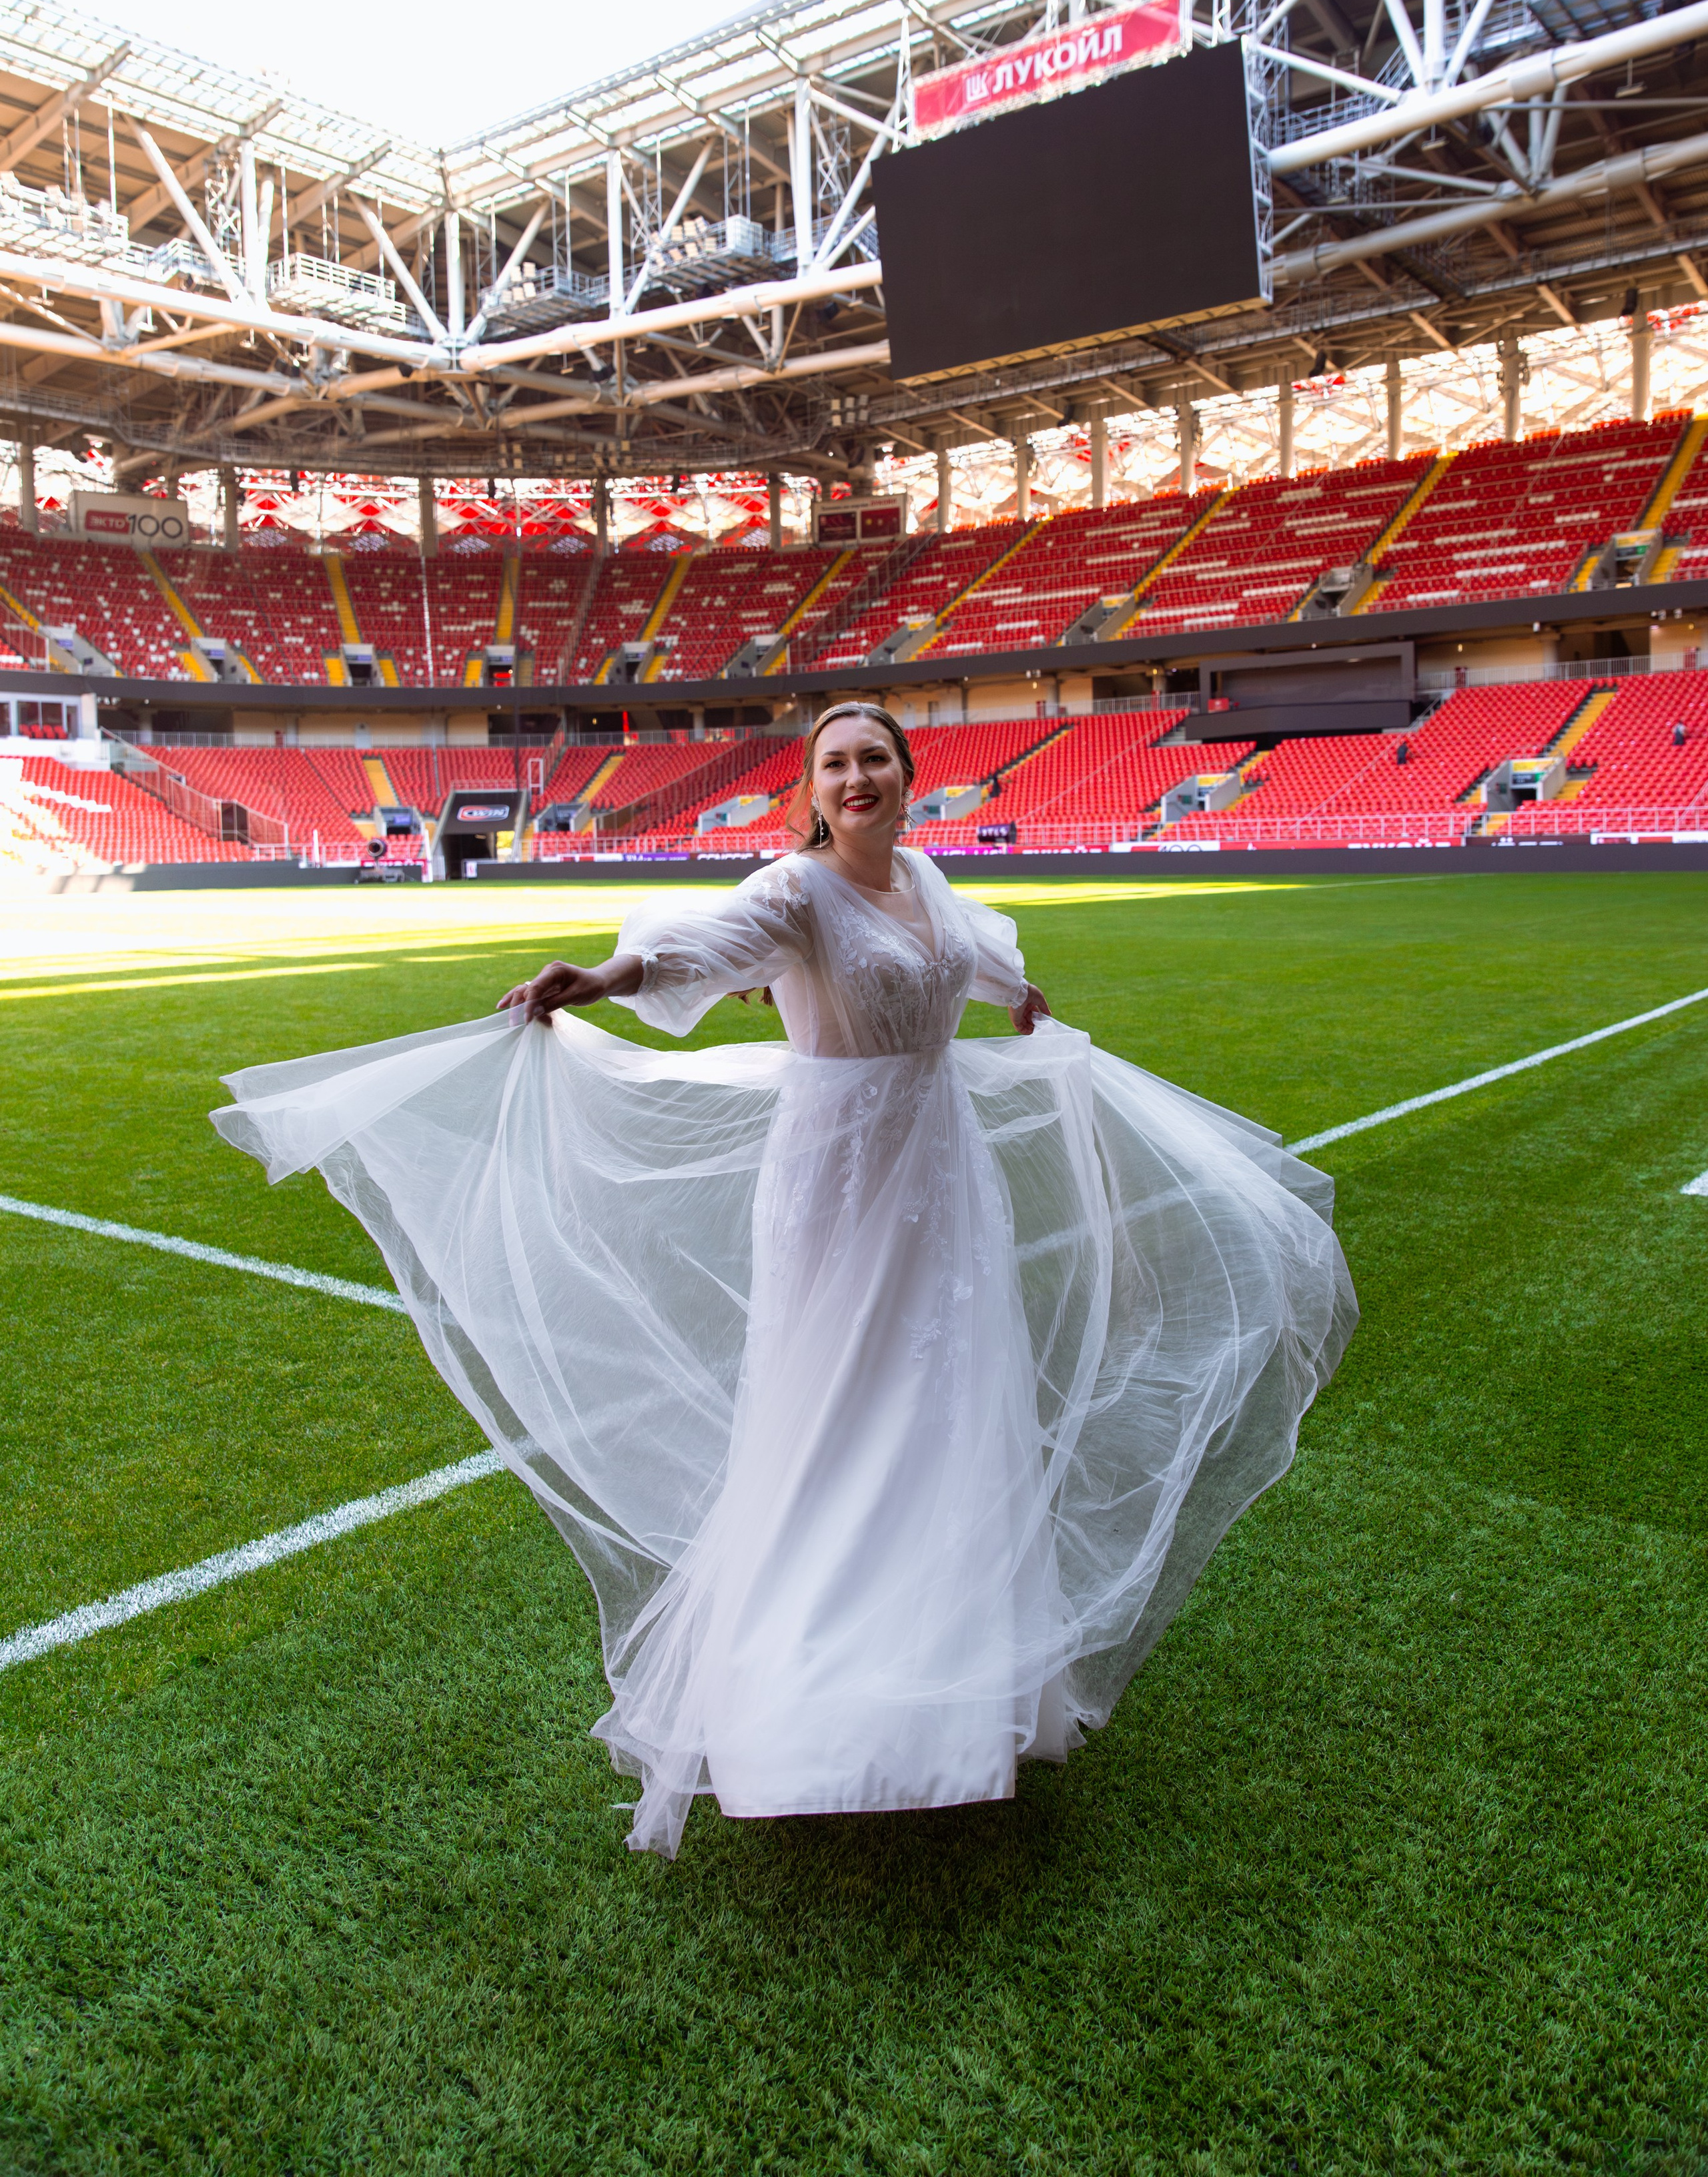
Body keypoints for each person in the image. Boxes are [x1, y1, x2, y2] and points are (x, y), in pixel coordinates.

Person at [212, 703, 1356, 1858]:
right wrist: (601, 978)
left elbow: (973, 955)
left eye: (875, 760)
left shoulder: (925, 875)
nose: (857, 779)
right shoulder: (798, 892)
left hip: (943, 1171)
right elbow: (700, 949)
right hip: (841, 1180)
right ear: (811, 790)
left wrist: (1016, 999)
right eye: (835, 765)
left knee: (953, 1405)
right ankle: (812, 1711)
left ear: (908, 775)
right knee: (837, 1412)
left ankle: (958, 1696)